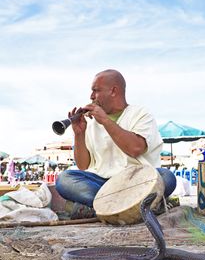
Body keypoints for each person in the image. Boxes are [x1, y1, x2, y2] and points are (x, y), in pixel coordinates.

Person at [56, 69, 176, 219]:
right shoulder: (91, 123)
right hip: (104, 185)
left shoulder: (141, 114)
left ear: (113, 91)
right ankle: (137, 206)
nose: (91, 96)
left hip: (137, 180)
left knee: (167, 177)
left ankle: (100, 208)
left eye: (96, 90)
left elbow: (135, 148)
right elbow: (83, 165)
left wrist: (106, 121)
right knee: (64, 179)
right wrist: (79, 134)